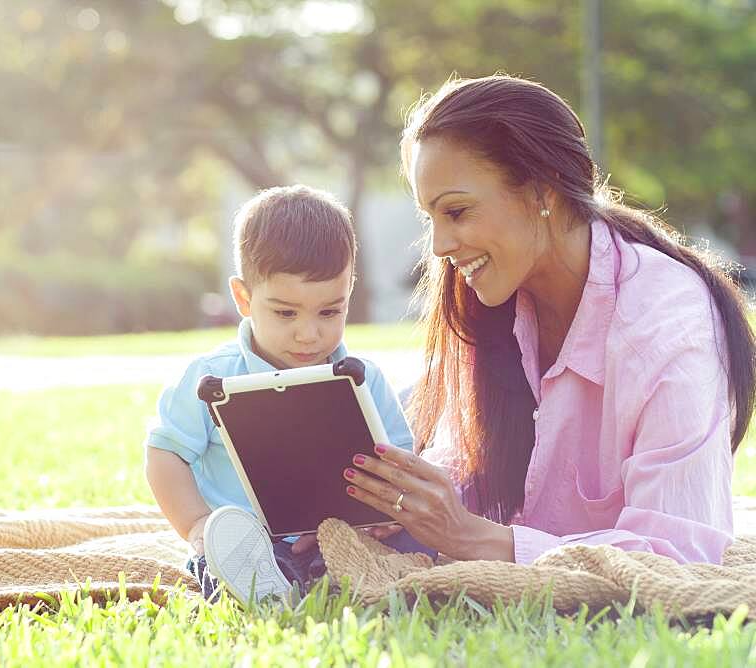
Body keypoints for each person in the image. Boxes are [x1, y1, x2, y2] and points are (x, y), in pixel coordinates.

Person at [344, 74, 756, 565]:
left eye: (456, 211)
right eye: (429, 217)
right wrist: (399, 506)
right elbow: (464, 468)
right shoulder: (492, 305)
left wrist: (471, 538)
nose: (438, 246)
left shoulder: (668, 326)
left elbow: (679, 553)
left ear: (543, 192)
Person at [144, 184, 426, 602]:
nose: (308, 334)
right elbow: (165, 455)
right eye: (285, 312)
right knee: (234, 561)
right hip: (248, 543)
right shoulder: (210, 377)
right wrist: (198, 525)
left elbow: (399, 466)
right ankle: (261, 585)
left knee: (418, 550)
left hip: (343, 538)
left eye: (330, 311)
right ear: (243, 297)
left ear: (349, 291)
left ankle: (340, 580)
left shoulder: (364, 378)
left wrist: (388, 516)